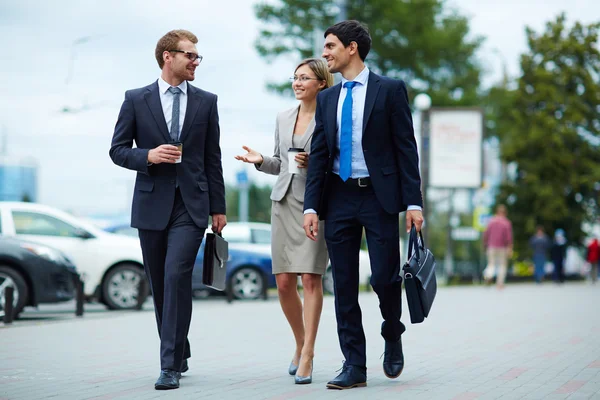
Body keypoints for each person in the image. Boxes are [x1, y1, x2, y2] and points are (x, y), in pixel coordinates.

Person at [302, 20, 424, 390]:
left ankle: (392, 329)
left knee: (385, 278)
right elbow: (320, 154)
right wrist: (311, 207)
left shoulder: (389, 90)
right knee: (343, 283)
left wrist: (414, 202)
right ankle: (354, 364)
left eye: (330, 46)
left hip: (379, 196)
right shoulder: (326, 98)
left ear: (352, 48)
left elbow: (406, 148)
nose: (325, 53)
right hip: (338, 197)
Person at [109, 30, 226, 390]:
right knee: (160, 285)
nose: (195, 61)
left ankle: (169, 365)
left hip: (192, 205)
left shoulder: (207, 101)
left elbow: (212, 158)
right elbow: (117, 150)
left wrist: (218, 208)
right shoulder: (135, 99)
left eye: (197, 56)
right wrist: (148, 156)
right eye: (189, 55)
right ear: (167, 57)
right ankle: (179, 346)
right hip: (151, 202)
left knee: (176, 276)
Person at [235, 58, 334, 385]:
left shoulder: (331, 116)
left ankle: (308, 353)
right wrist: (261, 160)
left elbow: (340, 160)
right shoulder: (282, 118)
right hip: (283, 201)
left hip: (315, 204)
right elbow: (281, 162)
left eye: (304, 78)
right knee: (283, 283)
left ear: (321, 82)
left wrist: (316, 161)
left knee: (310, 280)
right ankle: (300, 341)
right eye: (295, 78)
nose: (297, 83)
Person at [482, 204, 513, 289]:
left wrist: (485, 244)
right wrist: (510, 248)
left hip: (491, 246)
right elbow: (509, 237)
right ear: (505, 213)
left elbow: (485, 234)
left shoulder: (491, 221)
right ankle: (499, 283)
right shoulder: (506, 223)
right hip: (502, 247)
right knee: (502, 265)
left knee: (491, 264)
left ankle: (488, 276)